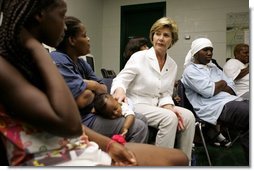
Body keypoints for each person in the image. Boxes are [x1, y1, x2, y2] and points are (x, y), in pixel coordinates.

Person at [0, 0, 189, 166]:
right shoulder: (8, 66)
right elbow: (71, 123)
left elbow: (90, 99)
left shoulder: (32, 61)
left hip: (73, 142)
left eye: (167, 36)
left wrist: (108, 144)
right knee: (155, 136)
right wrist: (36, 47)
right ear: (40, 15)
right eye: (62, 15)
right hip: (49, 154)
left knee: (180, 158)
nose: (65, 27)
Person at [50, 16, 149, 143]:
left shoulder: (81, 62)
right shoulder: (58, 59)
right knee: (138, 128)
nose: (88, 39)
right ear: (72, 40)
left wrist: (91, 87)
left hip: (94, 111)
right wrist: (93, 87)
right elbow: (81, 100)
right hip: (81, 119)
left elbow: (102, 88)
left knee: (142, 118)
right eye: (84, 35)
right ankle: (125, 160)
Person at [111, 17, 196, 162]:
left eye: (166, 35)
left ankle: (183, 162)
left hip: (157, 105)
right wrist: (119, 90)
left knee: (188, 117)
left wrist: (169, 105)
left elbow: (165, 93)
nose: (161, 38)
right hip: (137, 103)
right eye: (157, 34)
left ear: (172, 40)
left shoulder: (172, 64)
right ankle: (160, 162)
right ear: (152, 36)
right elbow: (120, 79)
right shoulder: (139, 57)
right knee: (169, 118)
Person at [181, 37, 249, 163]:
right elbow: (209, 92)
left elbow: (232, 88)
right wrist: (223, 83)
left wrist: (218, 86)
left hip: (230, 100)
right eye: (205, 50)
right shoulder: (190, 71)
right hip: (212, 107)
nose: (209, 53)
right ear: (195, 53)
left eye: (211, 50)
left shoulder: (214, 68)